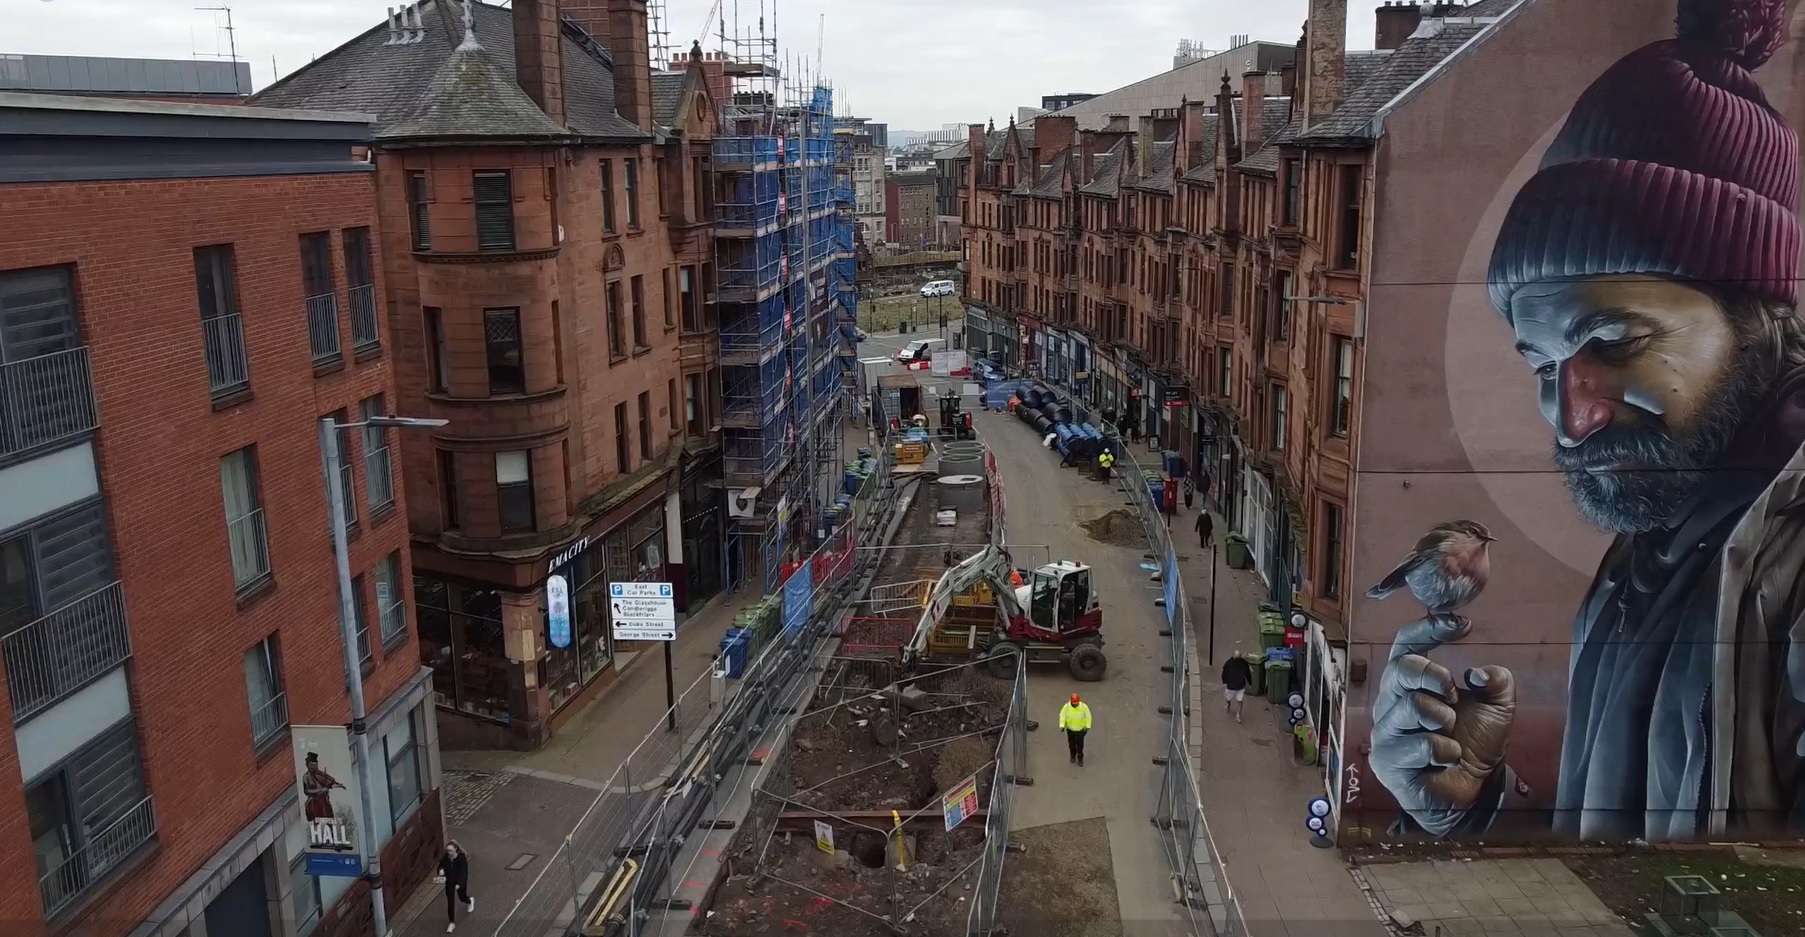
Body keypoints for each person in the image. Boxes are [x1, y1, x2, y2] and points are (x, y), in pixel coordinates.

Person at [1368, 0, 1805, 842]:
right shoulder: (1659, 540)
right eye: (1541, 365)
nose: (1572, 417)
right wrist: (1472, 808)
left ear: (1754, 315)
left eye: (1610, 338)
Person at [439, 840, 475, 932]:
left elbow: (463, 873)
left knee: (462, 897)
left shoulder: (461, 858)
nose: (448, 852)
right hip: (449, 882)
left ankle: (469, 900)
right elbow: (440, 865)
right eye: (447, 850)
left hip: (459, 882)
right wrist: (441, 870)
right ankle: (452, 923)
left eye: (450, 850)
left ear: (455, 849)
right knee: (450, 902)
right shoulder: (446, 857)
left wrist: (459, 884)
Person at [1059, 693, 1093, 766]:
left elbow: (1088, 716)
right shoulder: (1067, 707)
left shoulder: (1084, 707)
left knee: (1080, 745)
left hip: (1080, 730)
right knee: (1072, 745)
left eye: (1076, 704)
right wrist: (1062, 726)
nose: (1075, 705)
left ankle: (1080, 758)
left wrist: (1087, 727)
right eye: (1074, 704)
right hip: (1070, 730)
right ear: (1071, 702)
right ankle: (1073, 756)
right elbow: (1062, 715)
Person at [1221, 653, 1252, 724]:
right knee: (1228, 698)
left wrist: (1250, 682)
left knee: (1240, 700)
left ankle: (1238, 715)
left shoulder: (1244, 663)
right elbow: (1224, 672)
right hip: (1231, 686)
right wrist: (1224, 681)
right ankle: (1229, 704)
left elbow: (1247, 673)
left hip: (1240, 686)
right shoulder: (1229, 663)